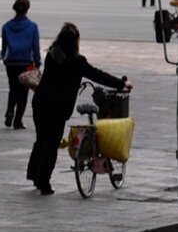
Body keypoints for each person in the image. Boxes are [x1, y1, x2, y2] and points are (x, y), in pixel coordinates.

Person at [26, 23, 133, 195]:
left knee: (41, 139)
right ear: (75, 41)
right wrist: (122, 84)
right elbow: (97, 75)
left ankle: (33, 174)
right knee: (51, 144)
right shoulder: (77, 61)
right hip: (57, 109)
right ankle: (43, 183)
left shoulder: (52, 55)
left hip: (40, 103)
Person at [1, 0, 41, 130]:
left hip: (11, 62)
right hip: (25, 62)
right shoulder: (33, 27)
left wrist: (4, 58)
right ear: (27, 9)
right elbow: (35, 47)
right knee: (23, 92)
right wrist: (38, 62)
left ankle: (9, 111)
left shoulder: (6, 26)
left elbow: (4, 47)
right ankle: (17, 121)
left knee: (13, 89)